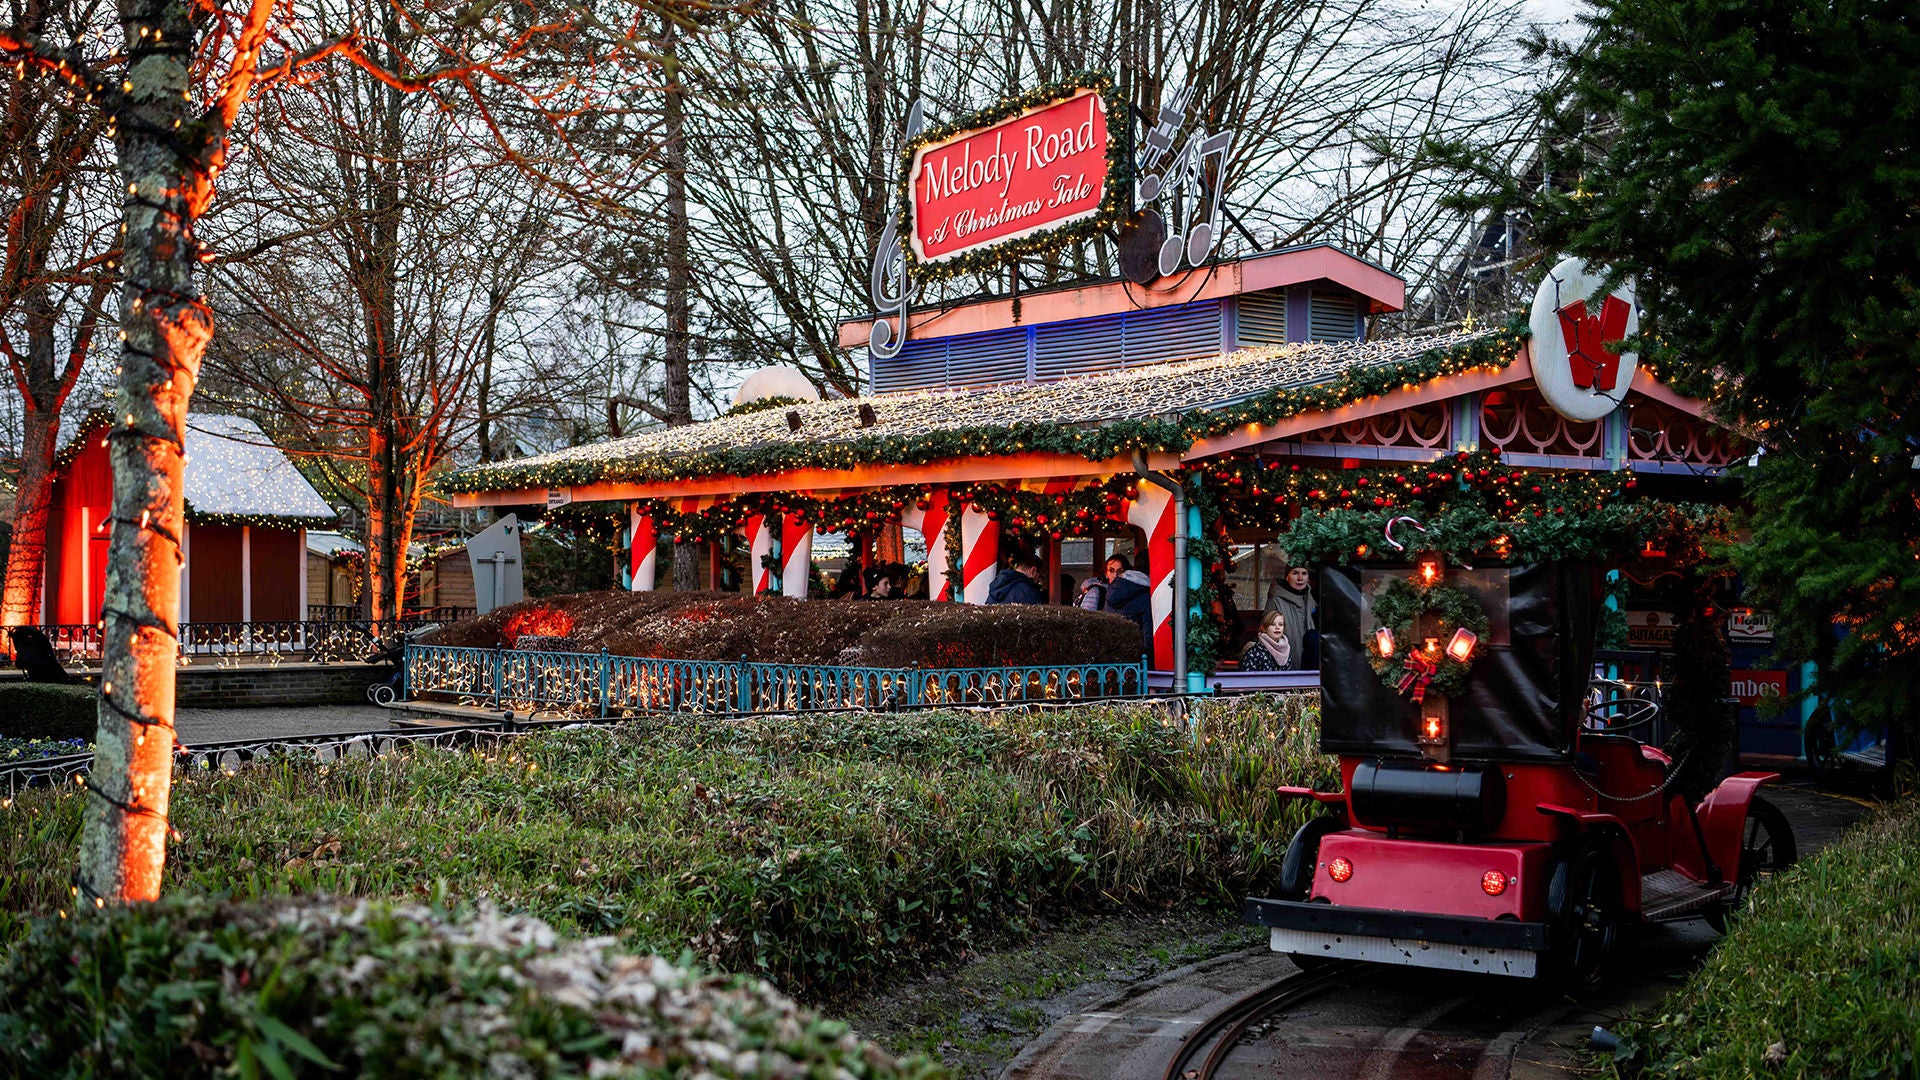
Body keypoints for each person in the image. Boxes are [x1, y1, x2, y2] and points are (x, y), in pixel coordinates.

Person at [1264, 563, 1317, 669]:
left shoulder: (1311, 599)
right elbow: (1267, 636)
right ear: (1287, 577)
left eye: (1304, 573)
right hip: (1285, 666)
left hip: (1310, 665)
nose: (1300, 578)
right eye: (1295, 573)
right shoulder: (1276, 601)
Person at [1102, 554, 1154, 653]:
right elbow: (1148, 637)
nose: (1115, 576)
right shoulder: (1144, 594)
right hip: (1136, 656)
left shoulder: (1108, 594)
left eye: (1119, 571)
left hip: (1113, 654)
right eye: (1111, 570)